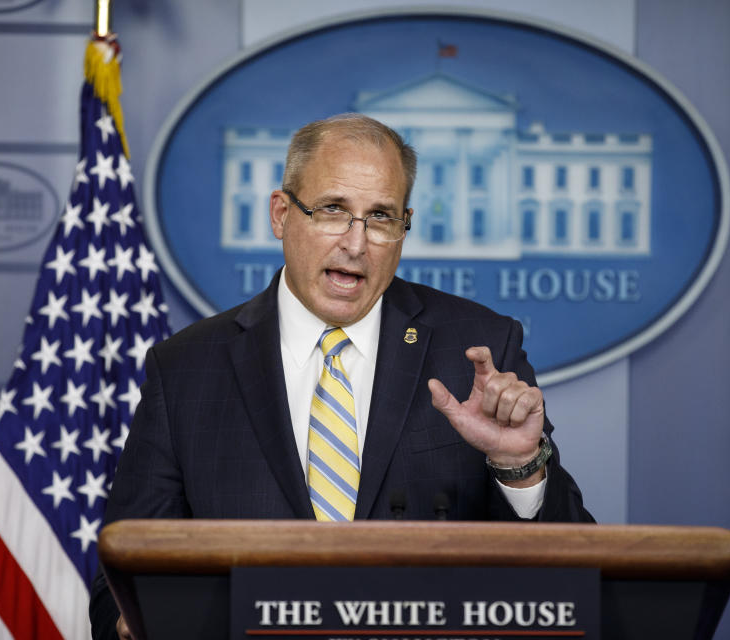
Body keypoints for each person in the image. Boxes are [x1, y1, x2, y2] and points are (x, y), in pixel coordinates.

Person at [89, 113, 593, 639]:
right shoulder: (187, 369)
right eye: (333, 210)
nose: (356, 243)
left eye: (380, 217)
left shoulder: (476, 349)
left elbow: (575, 572)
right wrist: (148, 618)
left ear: (404, 227)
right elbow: (116, 589)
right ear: (281, 214)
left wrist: (518, 467)